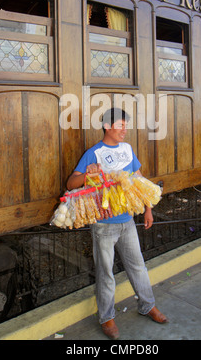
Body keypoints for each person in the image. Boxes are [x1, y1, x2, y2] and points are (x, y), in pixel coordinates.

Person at [66, 107, 167, 340]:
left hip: (128, 221)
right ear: (107, 126)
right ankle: (107, 318)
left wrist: (148, 209)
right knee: (105, 273)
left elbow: (139, 180)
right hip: (104, 226)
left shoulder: (127, 149)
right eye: (121, 125)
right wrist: (87, 174)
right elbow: (71, 183)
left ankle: (147, 305)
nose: (125, 129)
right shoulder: (94, 153)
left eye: (126, 125)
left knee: (138, 266)